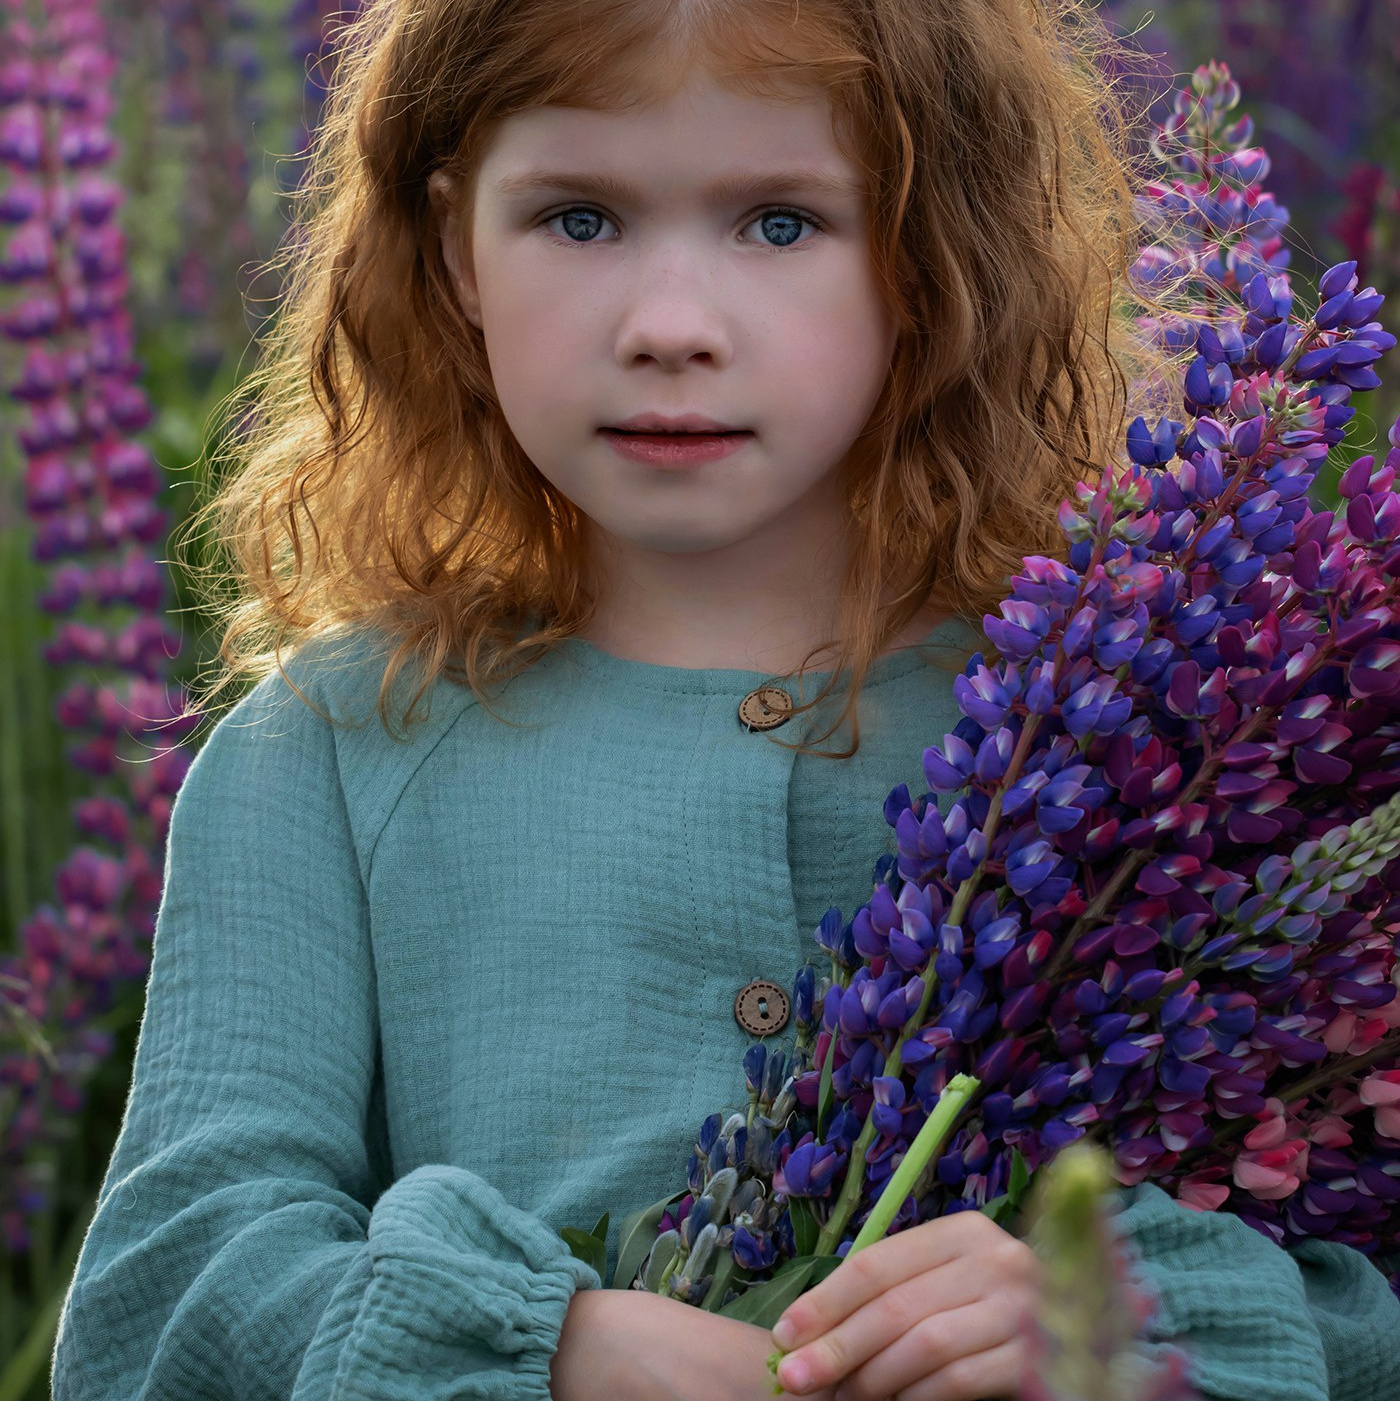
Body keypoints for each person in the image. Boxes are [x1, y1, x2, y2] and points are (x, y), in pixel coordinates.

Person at [51, 0, 1400, 1398]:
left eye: (780, 223)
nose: (671, 326)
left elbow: (1360, 1278)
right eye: (578, 217)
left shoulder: (1151, 738)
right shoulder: (327, 754)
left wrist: (1125, 1312)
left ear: (931, 254)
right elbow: (168, 1298)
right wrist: (542, 1344)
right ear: (455, 248)